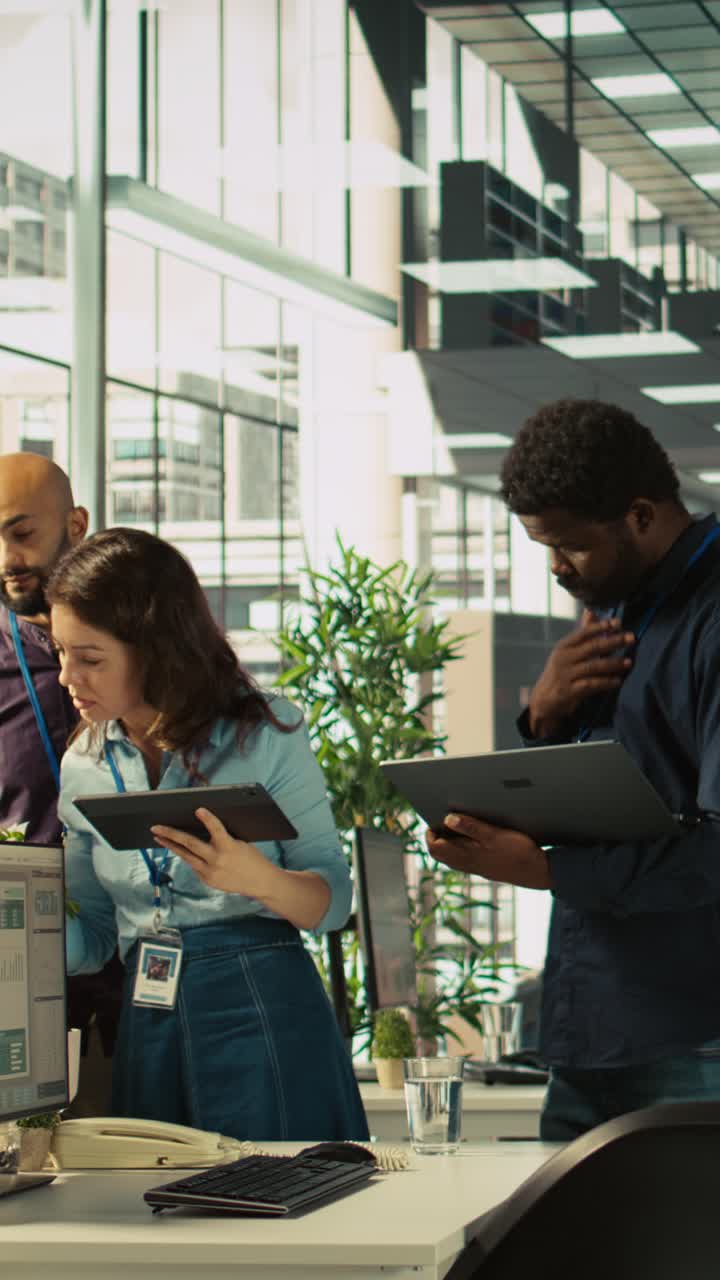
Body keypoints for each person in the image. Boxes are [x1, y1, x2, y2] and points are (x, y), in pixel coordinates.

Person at [426, 398, 720, 1141]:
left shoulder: (712, 619)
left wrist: (546, 871)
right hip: (590, 1021)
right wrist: (545, 716)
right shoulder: (620, 608)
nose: (556, 568)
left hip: (692, 1034)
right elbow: (609, 798)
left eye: (571, 546)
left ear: (642, 515)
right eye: (542, 547)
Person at [48, 526, 369, 1142]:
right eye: (61, 653)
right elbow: (89, 940)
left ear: (154, 648)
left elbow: (334, 899)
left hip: (265, 1005)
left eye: (89, 658)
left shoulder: (264, 734)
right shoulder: (83, 764)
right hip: (149, 1012)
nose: (67, 677)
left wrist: (260, 881)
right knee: (163, 1222)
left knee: (279, 1211)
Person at [0, 452, 123, 1108]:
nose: (6, 557)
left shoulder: (148, 649)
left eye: (22, 534)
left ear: (76, 524)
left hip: (155, 962)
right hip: (33, 977)